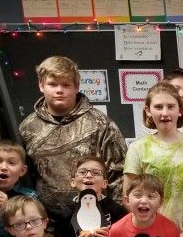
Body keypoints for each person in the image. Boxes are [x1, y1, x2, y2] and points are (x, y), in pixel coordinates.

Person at [19, 55, 126, 211]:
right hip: (45, 221)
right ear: (41, 85)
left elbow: (118, 174)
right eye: (52, 84)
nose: (59, 90)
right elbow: (24, 177)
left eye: (66, 85)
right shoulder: (28, 127)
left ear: (76, 87)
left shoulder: (101, 124)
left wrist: (116, 215)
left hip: (95, 216)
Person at [124, 81, 183, 231]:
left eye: (171, 106)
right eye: (158, 107)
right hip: (151, 230)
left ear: (180, 110)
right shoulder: (137, 148)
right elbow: (129, 198)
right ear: (148, 110)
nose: (165, 113)